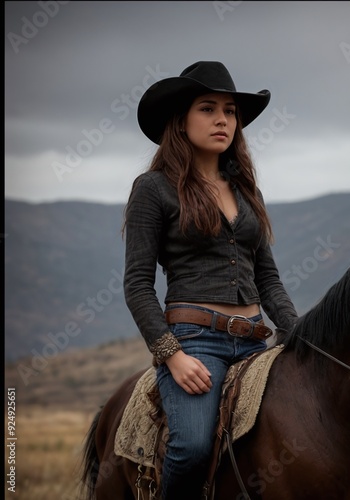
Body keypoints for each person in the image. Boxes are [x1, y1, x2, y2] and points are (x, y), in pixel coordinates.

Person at [123, 61, 298, 500]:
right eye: (208, 108)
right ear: (181, 120)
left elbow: (268, 279)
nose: (223, 120)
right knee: (193, 445)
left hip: (258, 340)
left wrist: (298, 331)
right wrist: (172, 356)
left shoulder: (245, 192)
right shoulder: (154, 188)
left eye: (231, 111)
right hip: (195, 341)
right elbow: (138, 286)